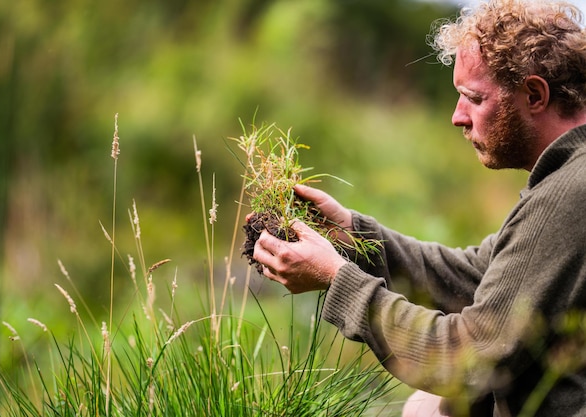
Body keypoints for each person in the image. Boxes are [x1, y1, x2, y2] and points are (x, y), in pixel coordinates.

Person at [250, 0, 586, 416]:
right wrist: (354, 236)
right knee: (431, 406)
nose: (457, 117)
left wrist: (337, 279)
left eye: (473, 98)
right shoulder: (567, 177)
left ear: (534, 94)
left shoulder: (571, 194)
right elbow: (479, 275)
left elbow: (467, 358)